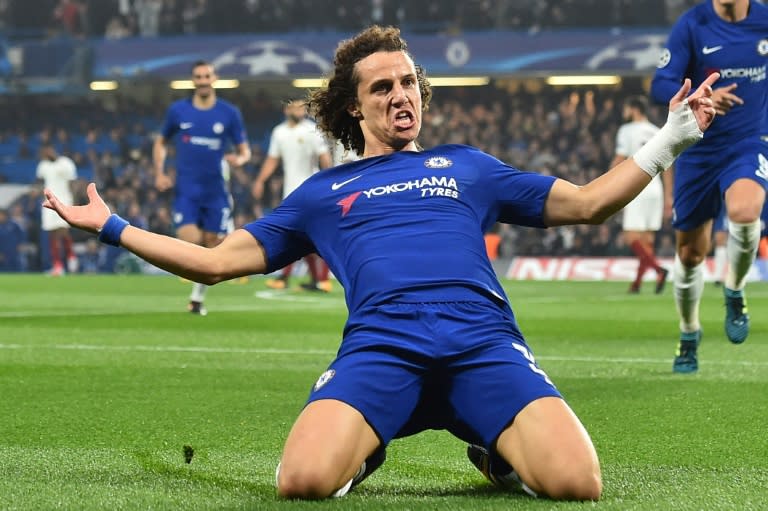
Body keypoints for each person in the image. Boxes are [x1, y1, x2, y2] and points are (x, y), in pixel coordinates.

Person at [44, 26, 718, 502]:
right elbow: (215, 262)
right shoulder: (321, 194)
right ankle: (368, 447)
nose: (402, 96)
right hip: (382, 347)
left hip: (482, 342)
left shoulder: (468, 166)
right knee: (300, 482)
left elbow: (591, 203)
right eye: (384, 88)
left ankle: (495, 451)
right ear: (352, 107)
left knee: (580, 484)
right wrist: (112, 225)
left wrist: (672, 137)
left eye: (409, 83)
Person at [650, 0, 768, 373]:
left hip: (750, 142)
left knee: (745, 210)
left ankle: (734, 288)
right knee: (690, 255)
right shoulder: (692, 24)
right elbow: (661, 83)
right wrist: (699, 97)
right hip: (698, 147)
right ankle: (689, 332)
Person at [153, 60, 251, 315]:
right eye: (198, 76)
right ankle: (195, 297)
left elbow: (244, 151)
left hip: (216, 191)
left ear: (214, 78)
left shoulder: (229, 113)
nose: (203, 80)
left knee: (212, 247)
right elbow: (161, 142)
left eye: (207, 75)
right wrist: (159, 172)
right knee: (192, 242)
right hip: (187, 190)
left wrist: (239, 160)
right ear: (193, 80)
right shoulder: (178, 111)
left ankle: (196, 300)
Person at [252, 99, 333, 292]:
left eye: (302, 107)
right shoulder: (279, 132)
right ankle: (318, 280)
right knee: (304, 237)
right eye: (296, 107)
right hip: (290, 193)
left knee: (297, 235)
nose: (300, 110)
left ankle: (287, 277)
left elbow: (324, 158)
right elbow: (272, 159)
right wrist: (260, 181)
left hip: (311, 192)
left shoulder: (312, 130)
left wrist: (330, 185)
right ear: (286, 109)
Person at [610, 95, 673, 294]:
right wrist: (669, 197)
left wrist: (604, 182)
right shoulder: (657, 131)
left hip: (637, 187)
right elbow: (668, 168)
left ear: (634, 109)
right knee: (646, 241)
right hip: (656, 189)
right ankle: (636, 284)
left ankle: (658, 270)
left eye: (626, 108)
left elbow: (619, 159)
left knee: (631, 237)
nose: (624, 113)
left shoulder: (626, 130)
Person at [36, 142, 79, 275]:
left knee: (63, 231)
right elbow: (40, 183)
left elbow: (73, 183)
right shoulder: (43, 166)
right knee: (51, 234)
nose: (45, 154)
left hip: (64, 201)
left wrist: (74, 202)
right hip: (49, 202)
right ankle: (57, 266)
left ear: (51, 149)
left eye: (46, 151)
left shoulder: (66, 163)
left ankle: (71, 258)